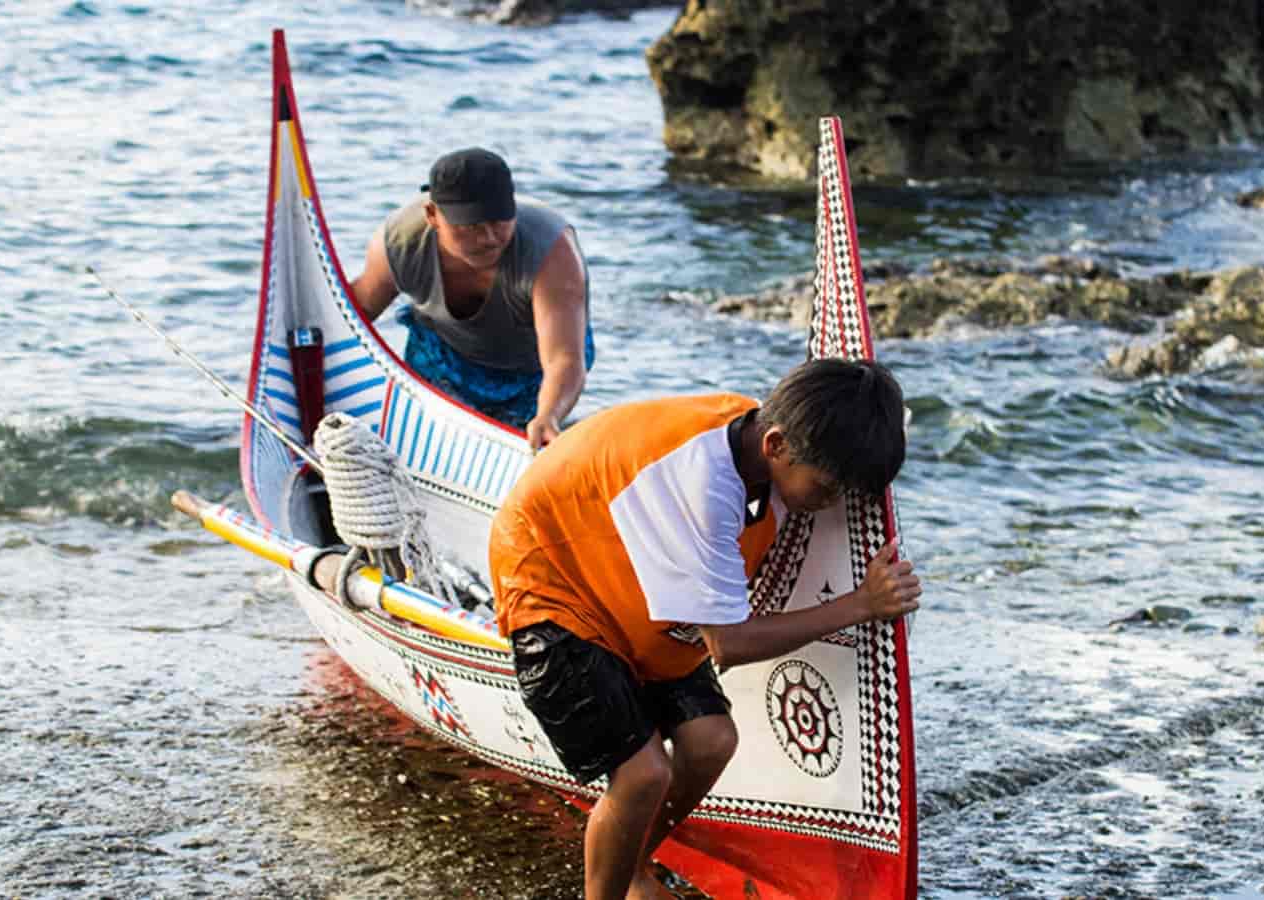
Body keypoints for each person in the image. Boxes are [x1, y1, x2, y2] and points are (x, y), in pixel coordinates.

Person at [488, 358, 922, 900]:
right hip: (551, 578)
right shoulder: (703, 483)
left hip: (627, 576)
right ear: (776, 446)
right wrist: (859, 605)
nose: (831, 504)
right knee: (643, 776)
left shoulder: (764, 432)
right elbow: (727, 645)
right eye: (827, 489)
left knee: (712, 741)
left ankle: (634, 869)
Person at [350, 147, 591, 450]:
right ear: (432, 215)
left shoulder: (551, 253)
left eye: (499, 221)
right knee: (431, 445)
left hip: (531, 369)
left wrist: (549, 415)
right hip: (442, 355)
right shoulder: (401, 243)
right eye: (470, 226)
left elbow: (564, 358)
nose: (489, 238)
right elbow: (356, 314)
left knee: (521, 440)